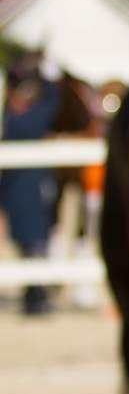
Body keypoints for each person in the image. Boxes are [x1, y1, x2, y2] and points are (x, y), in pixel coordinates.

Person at [0, 52, 62, 315]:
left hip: (33, 189)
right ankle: (33, 294)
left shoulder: (29, 117)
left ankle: (36, 295)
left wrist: (45, 77)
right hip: (16, 190)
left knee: (36, 241)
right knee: (26, 242)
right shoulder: (14, 118)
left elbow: (51, 101)